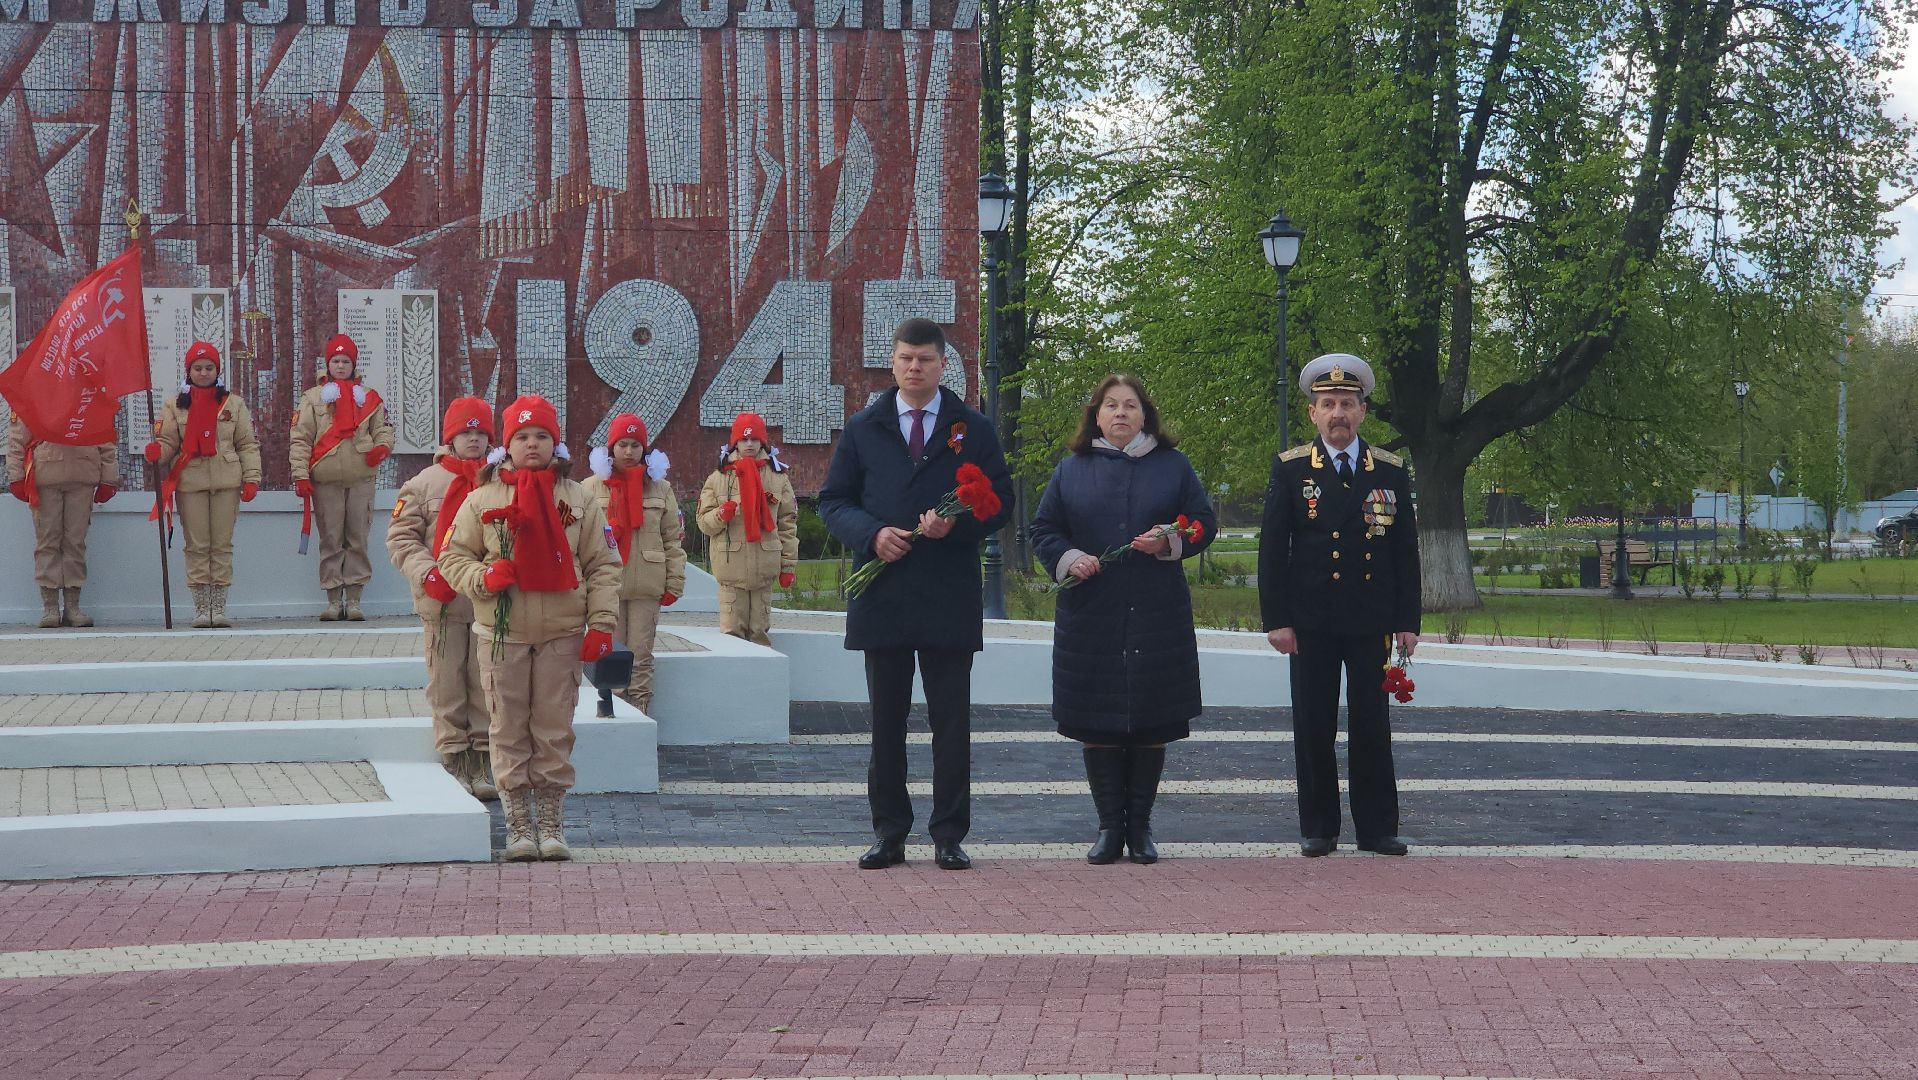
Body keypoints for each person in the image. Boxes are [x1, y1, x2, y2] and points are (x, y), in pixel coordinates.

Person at [819, 318, 1013, 871]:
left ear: (942, 364)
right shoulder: (864, 426)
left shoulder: (970, 427)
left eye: (925, 359)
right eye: (905, 358)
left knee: (951, 723)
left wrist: (959, 527)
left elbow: (1000, 500)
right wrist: (871, 534)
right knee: (886, 721)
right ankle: (889, 833)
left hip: (947, 593)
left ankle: (949, 833)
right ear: (893, 361)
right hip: (883, 593)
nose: (914, 367)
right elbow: (834, 500)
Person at [1029, 374, 1216, 865]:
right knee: (1099, 721)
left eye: (1130, 406)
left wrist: (1170, 542)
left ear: (1144, 415)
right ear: (1095, 415)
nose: (1119, 414)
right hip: (1092, 614)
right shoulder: (1072, 469)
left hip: (1156, 612)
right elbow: (1044, 528)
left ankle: (1141, 828)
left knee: (1151, 719)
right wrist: (1069, 557)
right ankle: (1110, 827)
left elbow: (1202, 522)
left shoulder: (1173, 466)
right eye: (1110, 405)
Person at [438, 395, 620, 861]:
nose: (532, 444)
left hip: (561, 632)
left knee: (554, 728)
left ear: (554, 442)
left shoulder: (578, 498)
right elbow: (452, 557)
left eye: (541, 435)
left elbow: (602, 564)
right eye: (522, 437)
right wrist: (483, 578)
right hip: (503, 635)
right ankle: (519, 825)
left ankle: (551, 823)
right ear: (508, 444)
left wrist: (601, 622)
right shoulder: (482, 499)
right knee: (507, 728)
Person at [1258, 353, 1421, 857]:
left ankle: (1377, 828)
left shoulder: (1389, 472)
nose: (1338, 414)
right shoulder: (1291, 470)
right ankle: (1319, 827)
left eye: (1347, 404)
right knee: (1314, 725)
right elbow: (1272, 549)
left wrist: (1407, 622)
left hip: (1370, 618)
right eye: (1327, 404)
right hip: (1311, 621)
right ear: (1313, 413)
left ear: (1363, 411)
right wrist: (1277, 620)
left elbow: (1405, 551)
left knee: (1372, 724)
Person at [386, 397, 498, 800]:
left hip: (488, 599)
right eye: (465, 433)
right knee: (447, 678)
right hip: (443, 600)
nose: (473, 439)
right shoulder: (423, 483)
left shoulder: (501, 481)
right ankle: (455, 753)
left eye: (480, 432)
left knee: (485, 680)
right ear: (450, 437)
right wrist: (427, 572)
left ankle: (483, 754)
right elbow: (401, 538)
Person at [145, 341, 262, 628]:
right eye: (197, 368)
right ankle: (201, 607)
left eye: (209, 368)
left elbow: (247, 443)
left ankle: (218, 607)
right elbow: (170, 441)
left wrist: (252, 478)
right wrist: (157, 451)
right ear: (188, 371)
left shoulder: (233, 403)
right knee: (197, 545)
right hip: (191, 481)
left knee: (221, 545)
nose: (203, 373)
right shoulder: (175, 405)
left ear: (217, 370)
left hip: (226, 479)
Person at [582, 413, 686, 713]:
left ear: (645, 449)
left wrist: (674, 581)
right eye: (623, 444)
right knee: (609, 655)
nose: (629, 452)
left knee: (640, 657)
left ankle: (640, 713)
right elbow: (578, 541)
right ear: (611, 448)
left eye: (635, 445)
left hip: (646, 584)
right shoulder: (590, 487)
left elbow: (673, 540)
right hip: (606, 587)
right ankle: (612, 715)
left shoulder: (660, 488)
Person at [289, 333, 395, 621]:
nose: (340, 366)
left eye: (345, 361)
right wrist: (300, 475)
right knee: (331, 539)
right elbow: (301, 439)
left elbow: (384, 428)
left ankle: (356, 600)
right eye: (335, 360)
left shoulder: (369, 398)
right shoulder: (312, 398)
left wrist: (381, 448)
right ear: (327, 363)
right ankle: (334, 600)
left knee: (357, 538)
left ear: (353, 364)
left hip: (361, 479)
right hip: (326, 481)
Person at [696, 412, 798, 648]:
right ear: (735, 443)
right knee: (732, 636)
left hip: (764, 568)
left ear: (762, 442)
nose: (749, 445)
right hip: (731, 570)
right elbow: (703, 522)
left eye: (754, 440)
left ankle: (762, 685)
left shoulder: (778, 477)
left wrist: (788, 566)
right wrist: (721, 515)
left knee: (760, 635)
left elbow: (787, 525)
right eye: (744, 440)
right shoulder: (718, 478)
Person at [8, 417, 118, 628]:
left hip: (82, 474)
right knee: (47, 541)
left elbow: (105, 438)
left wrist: (109, 477)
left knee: (75, 543)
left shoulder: (88, 396)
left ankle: (72, 606)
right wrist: (16, 476)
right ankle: (50, 607)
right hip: (45, 477)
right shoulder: (34, 395)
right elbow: (17, 439)